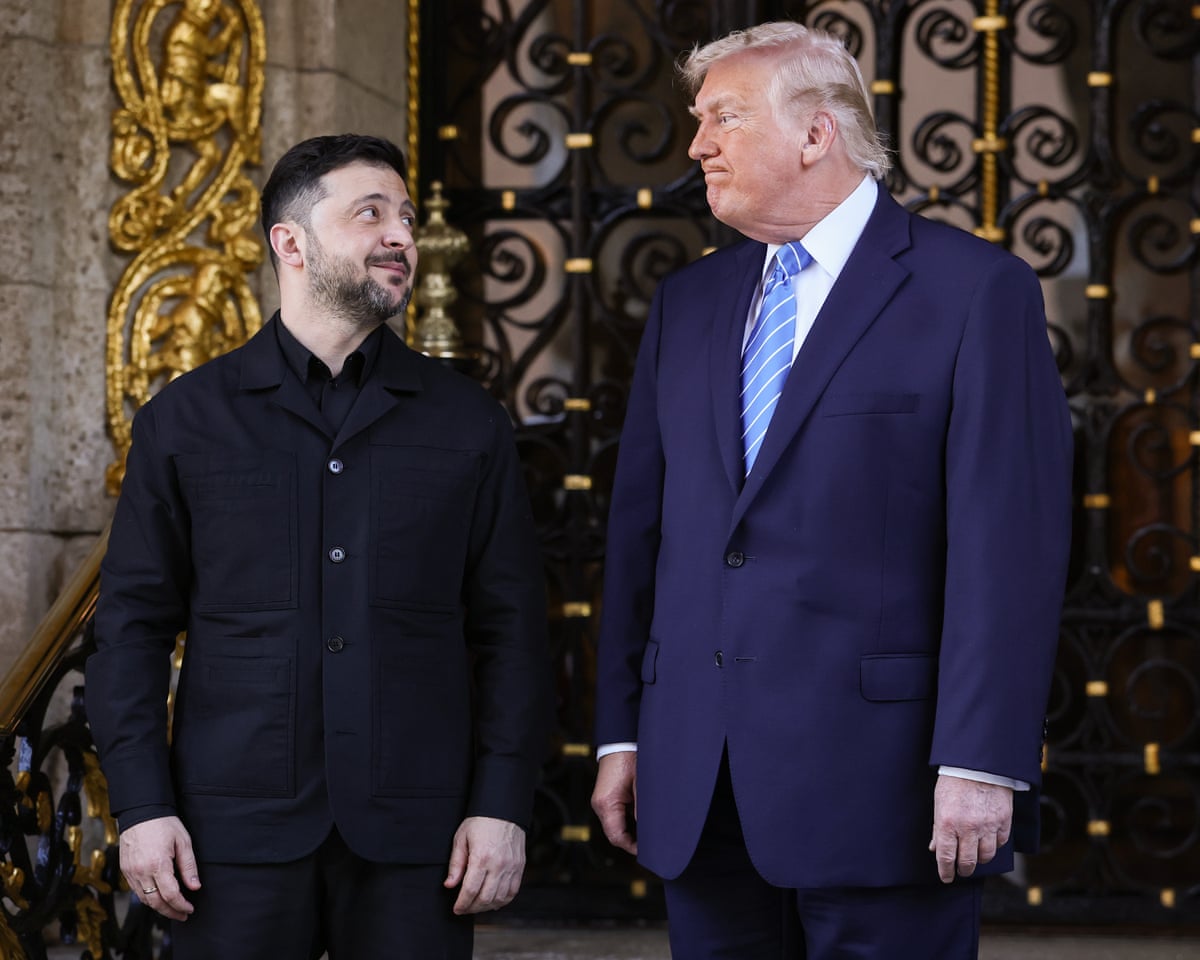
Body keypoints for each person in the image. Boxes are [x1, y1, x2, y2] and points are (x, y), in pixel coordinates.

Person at [591, 22, 1072, 960]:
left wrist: (980, 762)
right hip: (699, 780)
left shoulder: (976, 291)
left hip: (885, 791)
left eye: (723, 117)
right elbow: (643, 535)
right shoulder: (687, 305)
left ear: (817, 133)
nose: (697, 145)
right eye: (699, 121)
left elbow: (1004, 548)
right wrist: (621, 733)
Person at [88, 133, 552, 959]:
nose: (402, 235)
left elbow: (512, 632)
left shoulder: (469, 424)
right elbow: (131, 629)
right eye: (370, 212)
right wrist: (141, 806)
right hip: (227, 836)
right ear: (290, 242)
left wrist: (502, 803)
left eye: (405, 217)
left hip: (422, 836)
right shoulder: (185, 420)